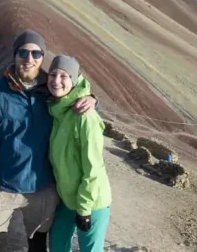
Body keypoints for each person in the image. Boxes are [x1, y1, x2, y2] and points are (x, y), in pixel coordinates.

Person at [0, 30, 98, 252]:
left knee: (37, 248)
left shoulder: (52, 90)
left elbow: (77, 98)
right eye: (23, 53)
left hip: (44, 190)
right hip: (1, 188)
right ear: (15, 55)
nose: (30, 59)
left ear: (42, 57)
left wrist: (92, 100)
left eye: (36, 53)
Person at [46, 56, 112, 252]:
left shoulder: (84, 116)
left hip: (92, 201)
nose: (56, 81)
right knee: (58, 245)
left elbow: (94, 167)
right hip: (67, 199)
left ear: (74, 81)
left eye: (64, 76)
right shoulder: (55, 109)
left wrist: (84, 209)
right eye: (53, 74)